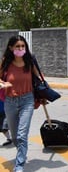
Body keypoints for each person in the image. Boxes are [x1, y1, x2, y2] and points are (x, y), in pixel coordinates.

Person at [0, 35, 40, 172]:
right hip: (10, 102)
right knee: (16, 136)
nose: (21, 49)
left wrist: (43, 92)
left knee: (22, 134)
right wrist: (3, 83)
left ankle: (19, 165)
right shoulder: (6, 62)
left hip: (27, 101)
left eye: (23, 46)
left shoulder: (29, 61)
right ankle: (22, 152)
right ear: (11, 48)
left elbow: (39, 78)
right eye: (17, 46)